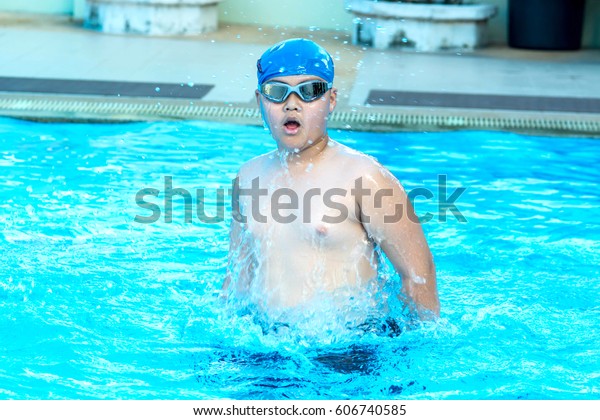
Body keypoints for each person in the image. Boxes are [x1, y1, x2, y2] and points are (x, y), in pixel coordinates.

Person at [222, 38, 439, 328]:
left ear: (332, 100)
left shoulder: (364, 177)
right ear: (260, 101)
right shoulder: (248, 177)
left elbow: (417, 275)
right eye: (277, 92)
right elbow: (238, 280)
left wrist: (421, 351)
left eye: (309, 91)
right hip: (266, 346)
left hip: (351, 352)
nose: (292, 104)